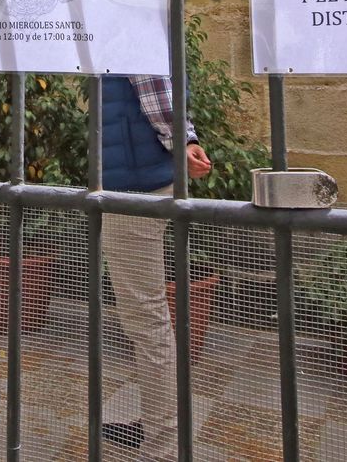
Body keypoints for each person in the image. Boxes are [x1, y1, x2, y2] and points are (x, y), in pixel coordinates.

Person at [97, 74, 212, 460]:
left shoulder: (128, 21)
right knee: (148, 318)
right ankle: (156, 425)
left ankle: (162, 444)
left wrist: (181, 140)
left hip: (136, 188)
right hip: (138, 179)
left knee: (146, 320)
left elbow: (156, 87)